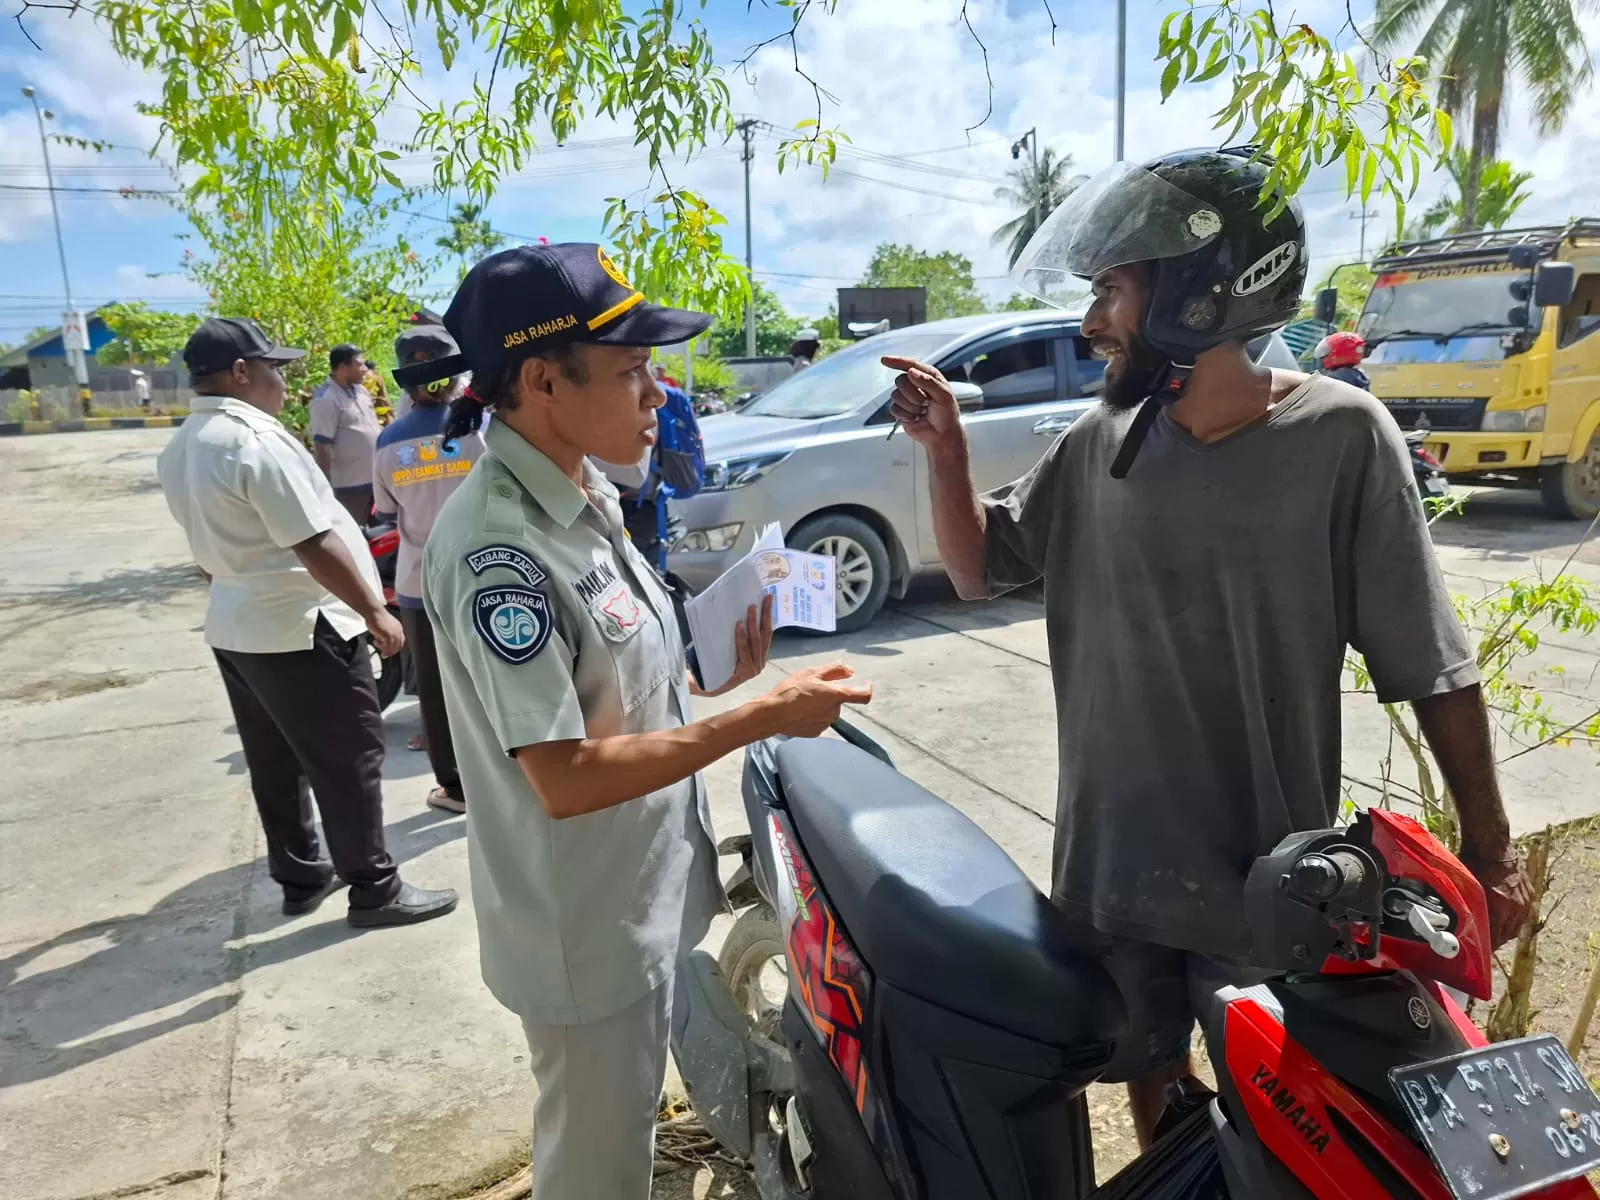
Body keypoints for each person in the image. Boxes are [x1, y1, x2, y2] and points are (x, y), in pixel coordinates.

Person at [884, 148, 1534, 1150]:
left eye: (1111, 290)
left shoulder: (1339, 438)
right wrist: (947, 452)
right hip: (1113, 873)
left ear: (1196, 294)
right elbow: (980, 570)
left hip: (1269, 886)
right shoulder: (1101, 444)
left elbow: (1431, 666)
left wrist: (1490, 855)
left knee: (1284, 1133)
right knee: (1158, 1103)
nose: (1093, 322)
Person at [410, 243, 873, 1200]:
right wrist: (760, 717)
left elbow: (612, 672)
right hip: (585, 926)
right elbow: (567, 774)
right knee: (597, 1169)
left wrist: (712, 668)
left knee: (618, 1141)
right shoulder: (502, 545)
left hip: (643, 886)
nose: (658, 393)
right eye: (630, 373)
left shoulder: (580, 489)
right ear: (543, 380)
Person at [157, 317, 459, 928]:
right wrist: (376, 612)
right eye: (275, 369)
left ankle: (301, 876)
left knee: (276, 762)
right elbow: (314, 541)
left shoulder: (182, 444)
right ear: (241, 373)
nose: (283, 384)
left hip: (239, 626)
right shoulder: (254, 440)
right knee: (349, 759)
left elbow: (206, 553)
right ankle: (375, 888)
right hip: (302, 626)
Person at [372, 326, 485, 814]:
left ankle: (456, 788)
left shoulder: (387, 443)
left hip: (421, 583)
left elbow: (383, 511)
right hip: (485, 574)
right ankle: (504, 774)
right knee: (492, 676)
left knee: (436, 691)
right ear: (455, 377)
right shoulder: (482, 431)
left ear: (407, 386)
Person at [311, 342, 382, 525]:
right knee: (355, 534)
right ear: (343, 367)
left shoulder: (362, 391)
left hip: (376, 480)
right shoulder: (326, 399)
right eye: (359, 364)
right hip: (350, 486)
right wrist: (325, 487)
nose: (365, 369)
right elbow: (322, 446)